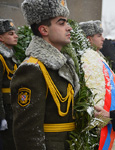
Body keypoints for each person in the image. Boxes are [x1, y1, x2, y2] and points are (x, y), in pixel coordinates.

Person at [10, 0, 80, 149]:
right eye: (61, 23)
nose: (69, 28)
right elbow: (27, 132)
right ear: (44, 30)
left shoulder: (64, 66)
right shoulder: (32, 69)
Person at [79, 20, 115, 150]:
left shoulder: (99, 56)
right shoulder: (85, 58)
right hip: (96, 122)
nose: (103, 38)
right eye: (99, 35)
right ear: (88, 38)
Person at [0, 19, 18, 150]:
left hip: (13, 108)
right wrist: (1, 117)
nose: (15, 36)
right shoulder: (1, 58)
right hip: (5, 110)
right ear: (1, 37)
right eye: (11, 33)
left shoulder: (11, 57)